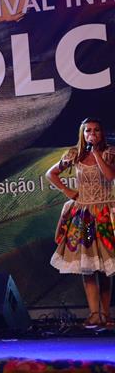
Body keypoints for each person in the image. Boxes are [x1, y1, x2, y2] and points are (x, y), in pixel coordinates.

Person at [46, 117, 115, 329]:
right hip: (85, 217)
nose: (92, 134)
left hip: (105, 215)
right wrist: (67, 191)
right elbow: (51, 173)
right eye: (88, 131)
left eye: (96, 130)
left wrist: (96, 153)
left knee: (105, 267)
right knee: (88, 265)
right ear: (82, 134)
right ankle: (94, 314)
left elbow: (110, 176)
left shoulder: (109, 153)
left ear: (101, 133)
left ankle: (105, 314)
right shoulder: (74, 155)